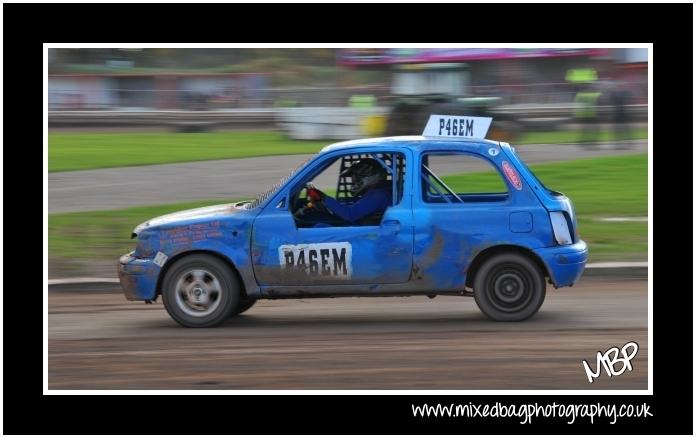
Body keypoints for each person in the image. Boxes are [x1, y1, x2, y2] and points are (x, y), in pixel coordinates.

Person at [305, 158, 392, 225]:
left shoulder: (377, 195)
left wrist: (324, 197)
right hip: (368, 226)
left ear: (370, 176)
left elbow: (350, 214)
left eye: (356, 177)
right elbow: (357, 206)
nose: (354, 181)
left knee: (320, 227)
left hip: (369, 233)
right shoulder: (378, 192)